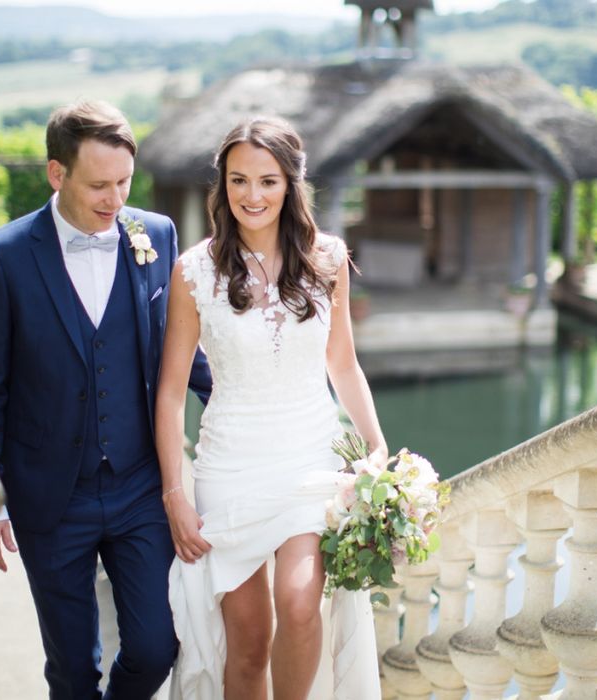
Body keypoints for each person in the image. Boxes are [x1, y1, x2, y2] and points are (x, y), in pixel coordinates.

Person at [0, 100, 213, 699]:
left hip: (140, 487)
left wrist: (245, 402)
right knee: (73, 669)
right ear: (57, 174)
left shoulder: (156, 235)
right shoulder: (3, 257)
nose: (115, 199)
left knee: (157, 648)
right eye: (99, 185)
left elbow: (182, 352)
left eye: (124, 182)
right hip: (50, 497)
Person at [155, 116, 386, 700]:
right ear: (222, 186)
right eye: (238, 181)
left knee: (302, 602)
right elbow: (170, 391)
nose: (251, 196)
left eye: (267, 181)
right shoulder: (194, 271)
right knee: (249, 640)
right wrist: (174, 494)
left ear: (291, 185)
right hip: (229, 465)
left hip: (310, 455)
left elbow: (343, 364)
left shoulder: (327, 259)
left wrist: (377, 447)